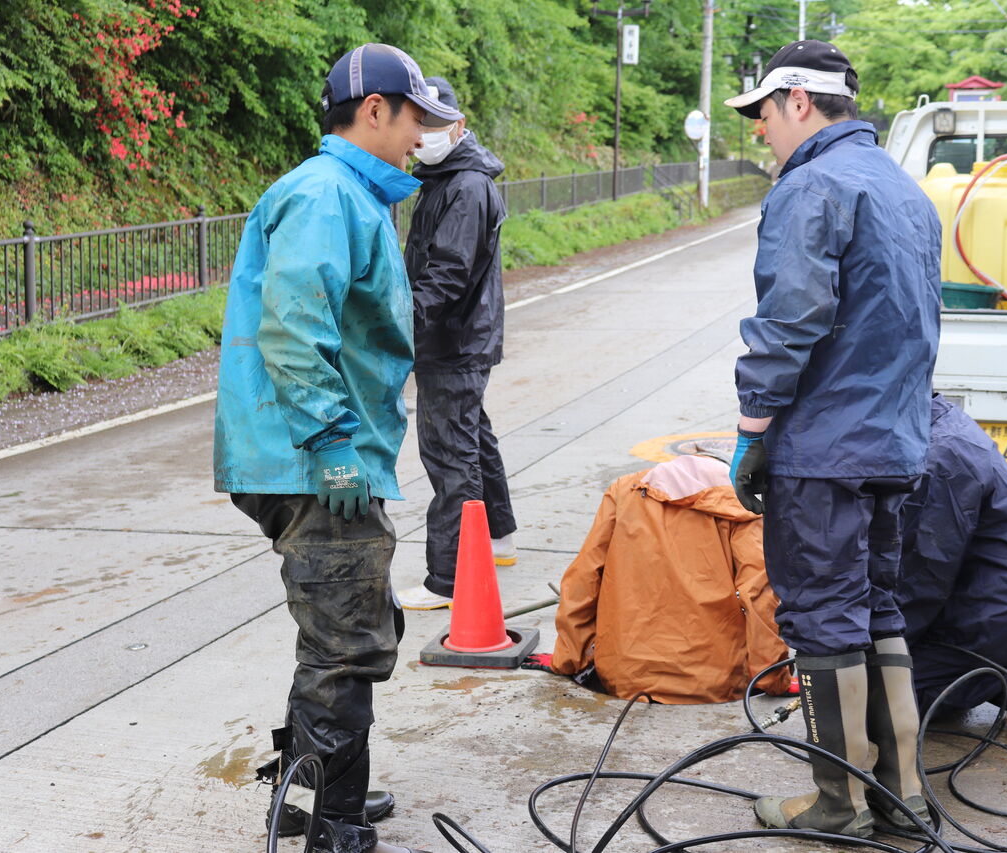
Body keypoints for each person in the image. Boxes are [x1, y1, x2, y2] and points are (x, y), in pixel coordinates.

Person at [213, 42, 461, 853]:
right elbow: (293, 324)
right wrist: (329, 441)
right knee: (349, 639)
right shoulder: (326, 195)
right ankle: (332, 824)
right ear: (375, 110)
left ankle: (309, 794)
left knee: (337, 628)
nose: (421, 135)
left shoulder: (350, 193)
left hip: (319, 451)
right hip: (314, 459)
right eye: (415, 117)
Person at [723, 40, 943, 838]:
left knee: (822, 613)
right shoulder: (904, 188)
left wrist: (752, 429)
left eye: (763, 113)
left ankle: (839, 803)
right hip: (894, 442)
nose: (760, 130)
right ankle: (902, 794)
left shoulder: (811, 185)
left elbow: (790, 319)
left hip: (825, 448)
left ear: (799, 101)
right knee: (877, 605)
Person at [394, 76, 517, 611]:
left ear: (459, 125)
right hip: (463, 336)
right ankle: (499, 538)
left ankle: (448, 577)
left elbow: (446, 273)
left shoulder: (464, 186)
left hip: (454, 340)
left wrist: (399, 325)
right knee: (471, 438)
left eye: (437, 124)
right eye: (419, 123)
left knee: (450, 452)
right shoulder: (448, 179)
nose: (425, 134)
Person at [545, 453, 791, 703]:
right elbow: (759, 596)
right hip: (713, 682)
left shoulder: (624, 491)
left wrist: (569, 658)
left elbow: (583, 579)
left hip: (624, 675)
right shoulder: (742, 506)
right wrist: (772, 678)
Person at [898, 394, 1007, 727]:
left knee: (868, 701)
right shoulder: (941, 422)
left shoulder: (938, 457)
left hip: (984, 628)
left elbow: (922, 577)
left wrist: (879, 646)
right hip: (999, 615)